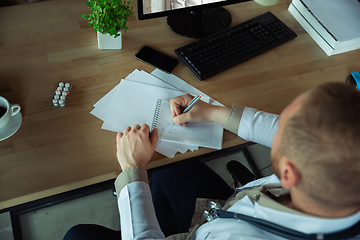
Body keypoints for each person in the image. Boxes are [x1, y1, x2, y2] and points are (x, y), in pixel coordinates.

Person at [64, 82, 360, 239]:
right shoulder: (341, 179)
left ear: (288, 173)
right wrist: (212, 112)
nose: (278, 129)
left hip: (220, 227)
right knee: (171, 168)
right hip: (225, 210)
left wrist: (132, 169)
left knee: (77, 235)